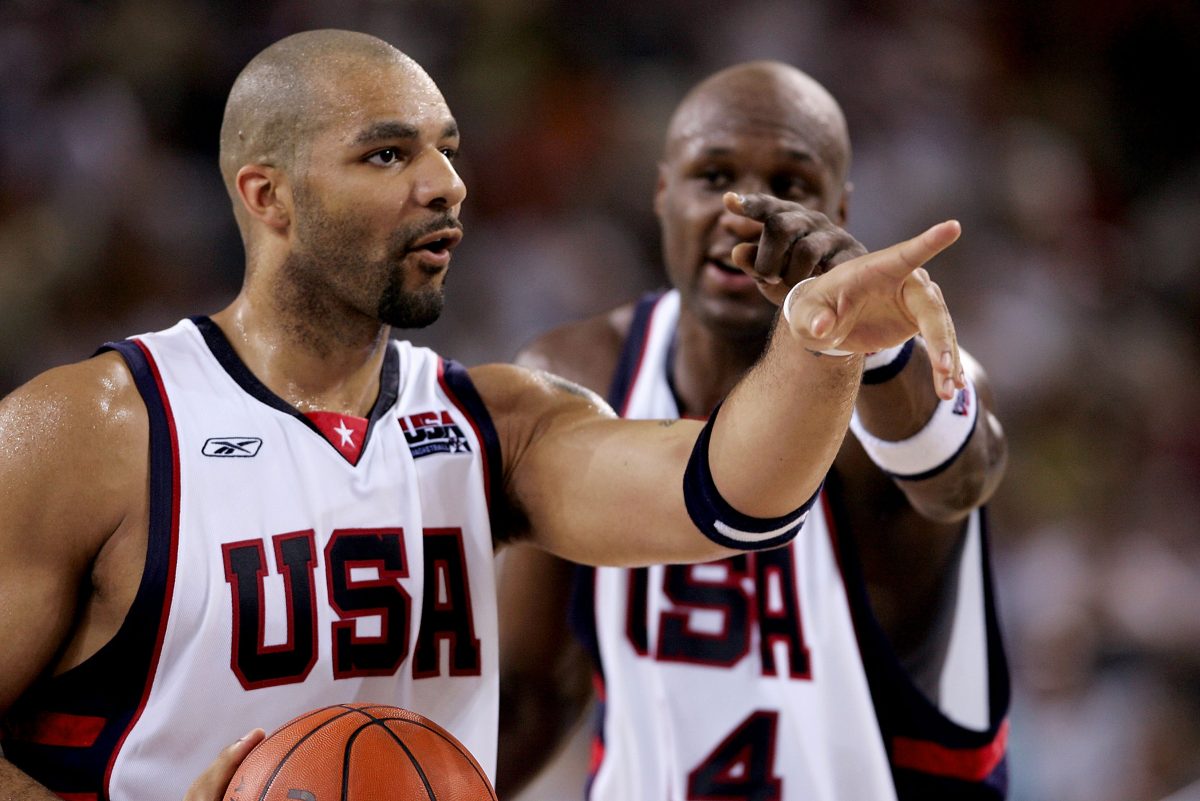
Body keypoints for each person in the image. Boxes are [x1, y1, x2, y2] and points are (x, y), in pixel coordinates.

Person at [0, 30, 965, 801]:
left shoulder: (494, 422)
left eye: (448, 152)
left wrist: (823, 344)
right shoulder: (93, 429)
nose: (447, 184)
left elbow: (732, 495)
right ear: (269, 196)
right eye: (389, 152)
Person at [497, 62, 1010, 800]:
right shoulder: (577, 374)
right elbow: (530, 696)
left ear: (842, 208)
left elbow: (958, 479)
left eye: (792, 185)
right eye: (713, 175)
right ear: (662, 192)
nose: (748, 212)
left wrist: (881, 348)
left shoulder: (910, 377)